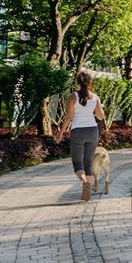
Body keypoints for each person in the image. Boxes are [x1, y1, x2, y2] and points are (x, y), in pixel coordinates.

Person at [56, 71, 107, 202]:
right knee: (89, 162)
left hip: (78, 131)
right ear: (90, 83)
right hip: (92, 131)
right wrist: (100, 107)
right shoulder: (95, 97)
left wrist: (61, 132)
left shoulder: (73, 96)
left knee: (77, 163)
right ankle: (88, 185)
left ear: (77, 82)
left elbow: (69, 117)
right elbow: (100, 116)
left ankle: (84, 183)